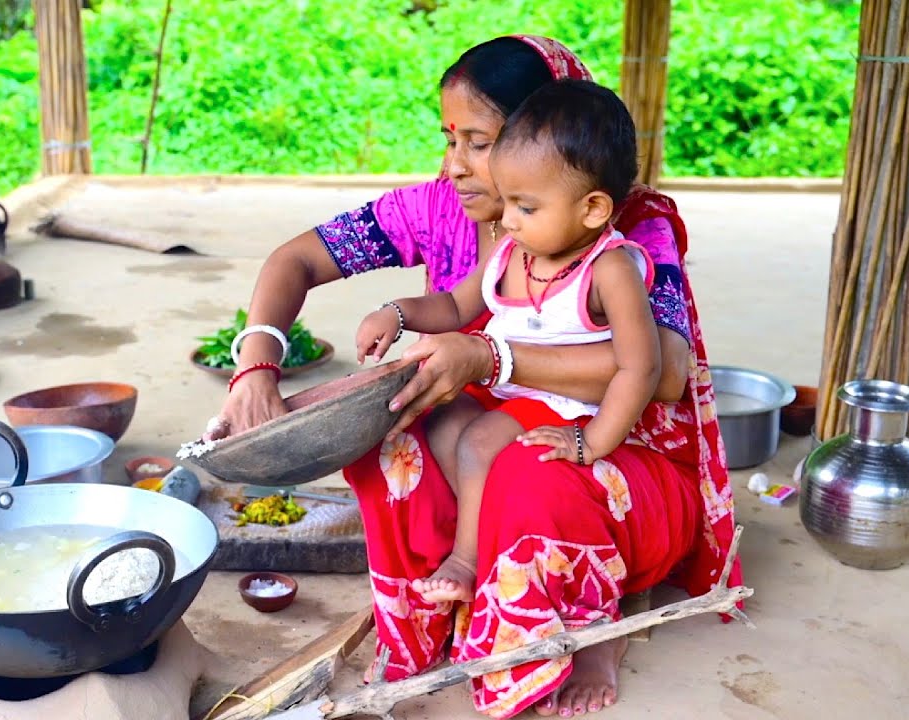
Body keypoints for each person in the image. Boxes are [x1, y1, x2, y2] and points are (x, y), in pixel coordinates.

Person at [207, 35, 741, 719]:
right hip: (504, 424)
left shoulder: (627, 234)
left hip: (612, 452)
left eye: (479, 142)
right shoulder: (440, 209)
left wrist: (493, 358)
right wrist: (257, 363)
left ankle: (589, 625)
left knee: (525, 467)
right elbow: (295, 261)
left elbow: (662, 374)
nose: (454, 164)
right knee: (396, 432)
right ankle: (441, 605)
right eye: (450, 138)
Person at [355, 79, 661, 608]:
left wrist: (592, 443)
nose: (509, 219)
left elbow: (642, 368)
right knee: (440, 423)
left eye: (526, 206)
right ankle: (489, 533)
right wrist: (398, 312)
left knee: (477, 444)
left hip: (565, 404)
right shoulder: (512, 251)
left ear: (591, 209)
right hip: (507, 390)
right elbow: (454, 307)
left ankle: (468, 560)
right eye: (509, 202)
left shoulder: (610, 268)